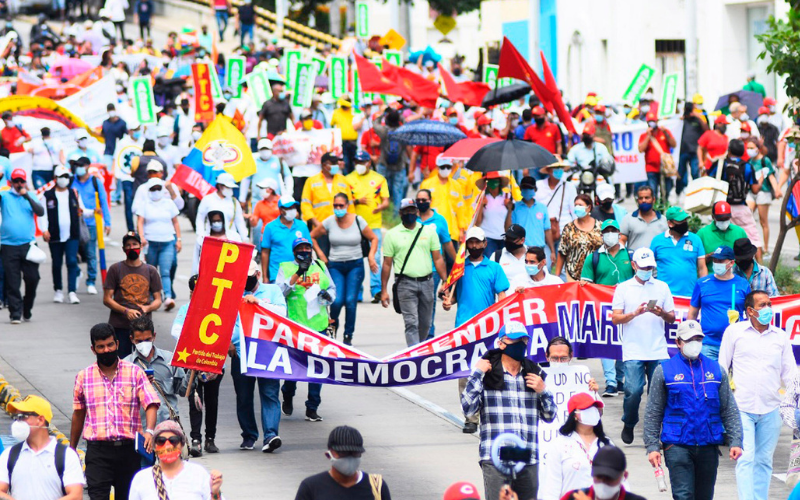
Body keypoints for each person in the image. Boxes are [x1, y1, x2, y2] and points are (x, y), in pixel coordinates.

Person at [643, 319, 743, 500]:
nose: (694, 343)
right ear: (678, 342)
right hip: (677, 445)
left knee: (704, 496)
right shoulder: (664, 371)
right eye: (689, 340)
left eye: (698, 338)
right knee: (683, 496)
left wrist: (736, 440)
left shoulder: (716, 370)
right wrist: (652, 446)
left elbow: (729, 409)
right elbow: (653, 412)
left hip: (708, 445)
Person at [461, 321, 556, 500]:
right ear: (501, 343)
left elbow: (550, 415)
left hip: (527, 456)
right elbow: (468, 408)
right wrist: (477, 373)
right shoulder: (487, 374)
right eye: (516, 340)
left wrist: (543, 391)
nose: (521, 344)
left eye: (524, 340)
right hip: (495, 455)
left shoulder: (534, 374)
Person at [719, 290, 798, 500]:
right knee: (746, 458)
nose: (767, 309)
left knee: (764, 461)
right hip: (741, 407)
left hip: (772, 408)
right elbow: (722, 368)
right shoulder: (734, 332)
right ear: (750, 311)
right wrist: (722, 406)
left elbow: (790, 373)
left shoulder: (780, 336)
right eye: (762, 305)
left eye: (769, 304)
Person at [71, 323, 160, 500]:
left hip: (128, 452)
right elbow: (78, 414)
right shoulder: (84, 377)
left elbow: (151, 403)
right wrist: (72, 448)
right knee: (97, 496)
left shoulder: (135, 373)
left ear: (117, 344)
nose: (106, 350)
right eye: (101, 347)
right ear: (93, 349)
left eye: (110, 345)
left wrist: (149, 431)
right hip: (98, 453)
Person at [443, 226, 510, 433]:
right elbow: (453, 295)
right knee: (466, 374)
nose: (473, 246)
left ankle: (490, 413)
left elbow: (502, 298)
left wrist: (501, 325)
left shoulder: (494, 268)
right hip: (463, 329)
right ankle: (470, 417)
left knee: (491, 371)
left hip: (488, 329)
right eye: (470, 242)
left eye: (477, 242)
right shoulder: (459, 268)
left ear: (484, 244)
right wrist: (448, 301)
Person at [612, 247, 676, 445]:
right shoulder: (623, 288)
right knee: (633, 390)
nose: (647, 270)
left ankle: (658, 431)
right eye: (643, 267)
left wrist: (661, 313)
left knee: (660, 394)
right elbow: (615, 318)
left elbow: (672, 317)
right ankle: (629, 422)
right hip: (633, 349)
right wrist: (634, 314)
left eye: (650, 267)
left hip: (657, 349)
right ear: (634, 265)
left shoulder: (662, 287)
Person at [231, 260, 288, 451]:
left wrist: (259, 303)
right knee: (244, 396)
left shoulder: (272, 291)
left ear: (257, 275)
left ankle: (271, 435)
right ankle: (249, 435)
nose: (245, 281)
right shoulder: (232, 294)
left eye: (248, 278)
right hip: (241, 353)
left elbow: (282, 313)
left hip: (267, 352)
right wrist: (228, 343)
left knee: (270, 394)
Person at [276, 239, 334, 423]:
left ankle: (312, 407)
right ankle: (288, 393)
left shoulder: (320, 265)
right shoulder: (285, 267)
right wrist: (297, 274)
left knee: (318, 368)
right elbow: (279, 293)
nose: (304, 251)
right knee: (294, 368)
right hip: (295, 328)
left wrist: (328, 296)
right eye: (300, 249)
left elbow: (332, 289)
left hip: (319, 327)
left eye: (307, 248)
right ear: (294, 252)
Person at [311, 192, 378, 345]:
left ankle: (348, 336)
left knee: (350, 301)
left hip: (355, 265)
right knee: (336, 300)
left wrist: (372, 257)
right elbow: (312, 236)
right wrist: (321, 254)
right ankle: (332, 328)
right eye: (335, 205)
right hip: (335, 265)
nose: (338, 208)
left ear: (347, 206)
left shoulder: (357, 220)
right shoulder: (329, 222)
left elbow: (373, 238)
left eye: (341, 205)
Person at [380, 199, 447, 346]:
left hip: (427, 282)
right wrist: (383, 290)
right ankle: (414, 356)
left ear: (417, 212)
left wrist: (445, 281)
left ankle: (418, 349)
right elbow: (387, 264)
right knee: (411, 322)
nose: (409, 213)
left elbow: (438, 258)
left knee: (425, 323)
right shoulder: (392, 234)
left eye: (412, 210)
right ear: (400, 213)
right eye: (406, 211)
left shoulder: (428, 232)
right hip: (405, 284)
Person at [171, 275, 224, 457]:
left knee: (212, 401)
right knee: (195, 401)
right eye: (194, 291)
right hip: (192, 361)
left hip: (212, 361)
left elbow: (225, 332)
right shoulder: (186, 309)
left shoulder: (216, 309)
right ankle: (196, 439)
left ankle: (210, 438)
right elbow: (176, 330)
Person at [580, 219, 632, 397]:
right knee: (606, 344)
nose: (610, 234)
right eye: (606, 231)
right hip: (602, 309)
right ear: (601, 235)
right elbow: (586, 284)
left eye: (613, 230)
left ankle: (619, 379)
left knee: (623, 344)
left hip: (626, 309)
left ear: (619, 233)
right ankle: (610, 382)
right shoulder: (593, 257)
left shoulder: (630, 255)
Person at [0, 395, 84, 500]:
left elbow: (76, 495)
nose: (18, 422)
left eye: (22, 416)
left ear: (40, 420)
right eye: (16, 417)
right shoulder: (9, 455)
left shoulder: (66, 456)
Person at [540, 393, 613, 500]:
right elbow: (551, 486)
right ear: (574, 415)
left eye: (594, 408)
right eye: (586, 408)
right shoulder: (559, 445)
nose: (592, 411)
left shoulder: (607, 444)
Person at [103, 232, 163, 358]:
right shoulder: (115, 269)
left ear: (140, 247)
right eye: (128, 245)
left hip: (143, 329)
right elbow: (107, 299)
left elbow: (158, 300)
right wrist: (126, 311)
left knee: (144, 360)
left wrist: (148, 308)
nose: (131, 247)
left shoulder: (150, 270)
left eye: (134, 244)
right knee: (122, 361)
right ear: (123, 249)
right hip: (120, 325)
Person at [128, 420, 223, 500]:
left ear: (181, 445)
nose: (167, 445)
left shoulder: (198, 473)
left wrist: (215, 492)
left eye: (173, 440)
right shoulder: (142, 478)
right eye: (161, 441)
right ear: (155, 446)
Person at [687, 244, 750, 361]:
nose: (716, 263)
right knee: (708, 378)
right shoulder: (702, 283)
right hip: (708, 344)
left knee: (734, 379)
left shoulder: (743, 284)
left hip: (735, 344)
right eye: (715, 260)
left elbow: (750, 313)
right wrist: (689, 338)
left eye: (720, 261)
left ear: (731, 263)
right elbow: (692, 314)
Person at [124, 315, 189, 427]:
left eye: (147, 340)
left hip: (168, 426)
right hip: (140, 427)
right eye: (139, 341)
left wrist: (193, 374)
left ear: (154, 336)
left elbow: (183, 391)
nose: (144, 344)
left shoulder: (170, 360)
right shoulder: (126, 365)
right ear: (132, 339)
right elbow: (122, 399)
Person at [294, 425, 391, 500]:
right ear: (328, 454)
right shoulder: (311, 487)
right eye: (343, 453)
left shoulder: (376, 486)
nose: (349, 458)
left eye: (355, 453)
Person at [0, 168, 44, 324]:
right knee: (13, 281)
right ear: (11, 181)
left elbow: (40, 212)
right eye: (16, 181)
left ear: (25, 182)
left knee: (33, 278)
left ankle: (27, 306)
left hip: (28, 245)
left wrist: (27, 196)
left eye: (21, 181)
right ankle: (15, 313)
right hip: (8, 245)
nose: (19, 184)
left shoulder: (30, 195)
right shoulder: (4, 195)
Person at [40, 165, 88, 305]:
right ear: (55, 178)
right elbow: (42, 214)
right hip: (54, 235)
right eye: (61, 177)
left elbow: (82, 209)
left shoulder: (74, 193)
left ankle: (72, 291)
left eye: (66, 177)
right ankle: (58, 290)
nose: (64, 179)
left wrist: (94, 211)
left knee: (72, 261)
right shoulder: (47, 195)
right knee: (56, 263)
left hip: (72, 234)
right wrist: (44, 230)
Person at [346, 150, 389, 303]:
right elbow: (343, 201)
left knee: (375, 257)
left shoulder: (379, 179)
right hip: (353, 224)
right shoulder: (348, 179)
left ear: (369, 163)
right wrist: (357, 201)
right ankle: (357, 292)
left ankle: (376, 290)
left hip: (373, 224)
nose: (359, 165)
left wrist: (380, 207)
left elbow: (386, 200)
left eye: (362, 162)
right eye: (357, 162)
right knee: (356, 258)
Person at [135, 178, 181, 311]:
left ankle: (168, 297)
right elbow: (140, 221)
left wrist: (178, 239)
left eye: (158, 189)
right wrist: (142, 237)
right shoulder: (145, 204)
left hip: (167, 241)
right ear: (149, 190)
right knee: (151, 271)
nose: (156, 191)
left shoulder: (168, 203)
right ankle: (152, 297)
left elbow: (175, 222)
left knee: (165, 271)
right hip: (151, 242)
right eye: (153, 189)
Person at [71, 157, 112, 295]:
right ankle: (76, 273)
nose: (78, 168)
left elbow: (104, 202)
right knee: (72, 253)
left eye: (80, 165)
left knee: (90, 253)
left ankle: (91, 281)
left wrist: (107, 222)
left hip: (91, 223)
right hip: (74, 223)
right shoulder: (71, 181)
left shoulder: (95, 182)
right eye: (76, 166)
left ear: (87, 166)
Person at [649, 206, 707, 297]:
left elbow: (702, 268)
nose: (684, 223)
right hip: (663, 295)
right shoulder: (657, 241)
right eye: (680, 221)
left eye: (685, 220)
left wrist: (704, 291)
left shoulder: (696, 239)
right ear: (670, 223)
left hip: (689, 296)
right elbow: (649, 266)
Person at [301, 152, 352, 249]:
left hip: (340, 227)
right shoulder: (311, 181)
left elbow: (350, 204)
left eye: (336, 163)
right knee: (323, 259)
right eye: (332, 163)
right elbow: (305, 205)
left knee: (339, 258)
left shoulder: (343, 180)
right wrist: (317, 224)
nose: (335, 166)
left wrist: (349, 224)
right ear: (324, 165)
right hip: (320, 228)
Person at [560, 446, 646, 500]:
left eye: (609, 478)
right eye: (599, 477)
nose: (603, 482)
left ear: (624, 476)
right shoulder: (573, 497)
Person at [261, 196, 311, 283]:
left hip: (299, 273)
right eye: (288, 208)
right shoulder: (270, 227)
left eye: (293, 207)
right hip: (277, 274)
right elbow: (265, 253)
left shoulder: (302, 226)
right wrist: (265, 277)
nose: (292, 210)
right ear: (281, 210)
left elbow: (309, 249)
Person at [535, 162, 576, 266]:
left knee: (564, 267)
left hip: (565, 230)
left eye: (561, 168)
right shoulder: (539, 186)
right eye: (555, 168)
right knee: (545, 264)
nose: (559, 170)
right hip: (544, 232)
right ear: (549, 170)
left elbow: (574, 210)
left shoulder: (569, 186)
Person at [419, 155, 466, 243]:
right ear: (437, 167)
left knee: (451, 256)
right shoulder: (426, 184)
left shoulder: (456, 186)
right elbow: (420, 207)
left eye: (448, 167)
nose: (445, 169)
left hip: (452, 230)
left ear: (451, 167)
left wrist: (461, 230)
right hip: (431, 228)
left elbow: (460, 209)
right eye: (443, 167)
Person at [745, 137, 780, 256]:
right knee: (747, 216)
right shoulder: (749, 161)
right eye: (748, 148)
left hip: (763, 192)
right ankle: (750, 245)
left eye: (751, 148)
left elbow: (771, 176)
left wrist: (777, 189)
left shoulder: (765, 161)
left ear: (758, 148)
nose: (749, 150)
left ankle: (765, 248)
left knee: (763, 221)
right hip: (751, 192)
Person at [555, 194, 602, 282]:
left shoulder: (600, 226)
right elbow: (562, 252)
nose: (577, 207)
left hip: (595, 276)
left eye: (580, 205)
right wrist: (556, 276)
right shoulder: (569, 228)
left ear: (588, 208)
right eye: (575, 205)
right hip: (573, 276)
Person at [373, 108, 410, 212]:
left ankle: (382, 211)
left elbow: (375, 123)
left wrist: (383, 114)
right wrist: (401, 116)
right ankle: (395, 215)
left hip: (384, 164)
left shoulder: (384, 131)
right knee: (397, 191)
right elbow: (408, 124)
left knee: (382, 189)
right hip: (399, 165)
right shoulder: (403, 131)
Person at [696, 201, 748, 273]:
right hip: (711, 278)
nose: (724, 221)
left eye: (726, 218)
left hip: (735, 277)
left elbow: (747, 256)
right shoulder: (702, 234)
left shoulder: (739, 232)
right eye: (720, 219)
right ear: (713, 217)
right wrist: (708, 257)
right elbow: (693, 261)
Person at [195, 172, 248, 241]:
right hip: (211, 239)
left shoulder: (234, 202)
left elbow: (239, 221)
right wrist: (200, 235)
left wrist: (245, 238)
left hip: (231, 239)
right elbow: (200, 219)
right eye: (228, 187)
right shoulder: (207, 199)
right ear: (220, 186)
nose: (230, 190)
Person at [510, 176, 554, 256]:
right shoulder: (515, 208)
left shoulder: (542, 207)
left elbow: (547, 230)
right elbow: (510, 228)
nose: (527, 191)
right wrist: (509, 210)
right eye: (525, 188)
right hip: (520, 249)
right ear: (520, 189)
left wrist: (552, 251)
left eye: (529, 188)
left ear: (535, 189)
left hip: (539, 248)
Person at [638, 112, 677, 200]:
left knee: (666, 190)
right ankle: (655, 209)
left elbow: (674, 144)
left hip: (665, 168)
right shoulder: (644, 135)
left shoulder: (664, 132)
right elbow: (641, 149)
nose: (652, 123)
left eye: (653, 121)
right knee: (653, 191)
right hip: (651, 168)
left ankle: (664, 205)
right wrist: (648, 136)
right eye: (650, 121)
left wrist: (666, 134)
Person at [476, 173, 514, 258]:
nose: (493, 185)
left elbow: (508, 225)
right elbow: (477, 223)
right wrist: (481, 206)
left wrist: (509, 209)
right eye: (490, 181)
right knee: (490, 263)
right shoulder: (481, 197)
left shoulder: (507, 197)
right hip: (487, 237)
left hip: (503, 238)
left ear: (499, 182)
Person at [619, 185, 668, 251]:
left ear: (653, 199)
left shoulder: (663, 220)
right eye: (641, 198)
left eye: (647, 198)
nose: (643, 200)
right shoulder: (628, 219)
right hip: (634, 260)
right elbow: (621, 240)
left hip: (656, 260)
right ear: (637, 200)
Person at [677, 102, 708, 196]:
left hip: (695, 151)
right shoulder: (682, 120)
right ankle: (679, 192)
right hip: (682, 151)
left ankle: (696, 192)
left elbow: (706, 130)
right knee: (680, 173)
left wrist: (698, 117)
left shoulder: (697, 119)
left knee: (695, 172)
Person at [248, 177, 280, 252]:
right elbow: (254, 224)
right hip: (266, 236)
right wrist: (252, 220)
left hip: (281, 234)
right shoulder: (259, 204)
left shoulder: (281, 201)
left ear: (270, 189)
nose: (260, 191)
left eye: (262, 188)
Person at [331, 97, 359, 173]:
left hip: (353, 141)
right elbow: (331, 124)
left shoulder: (354, 111)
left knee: (353, 162)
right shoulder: (336, 112)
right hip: (341, 141)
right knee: (345, 162)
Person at [101, 103, 127, 170]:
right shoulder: (105, 123)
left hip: (119, 152)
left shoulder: (122, 123)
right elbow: (102, 135)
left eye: (112, 109)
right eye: (109, 110)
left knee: (118, 172)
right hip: (108, 152)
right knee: (108, 173)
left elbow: (126, 136)